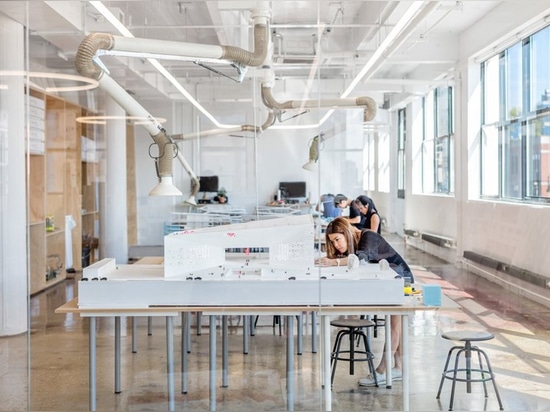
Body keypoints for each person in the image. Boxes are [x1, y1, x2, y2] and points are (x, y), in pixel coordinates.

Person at [317, 217, 414, 387]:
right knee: (396, 325)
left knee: (395, 325)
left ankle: (382, 370)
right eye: (333, 242)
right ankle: (398, 368)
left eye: (338, 239)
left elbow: (361, 258)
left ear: (347, 233)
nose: (337, 245)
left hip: (400, 278)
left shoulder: (368, 236)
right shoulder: (355, 242)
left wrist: (334, 262)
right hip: (388, 281)